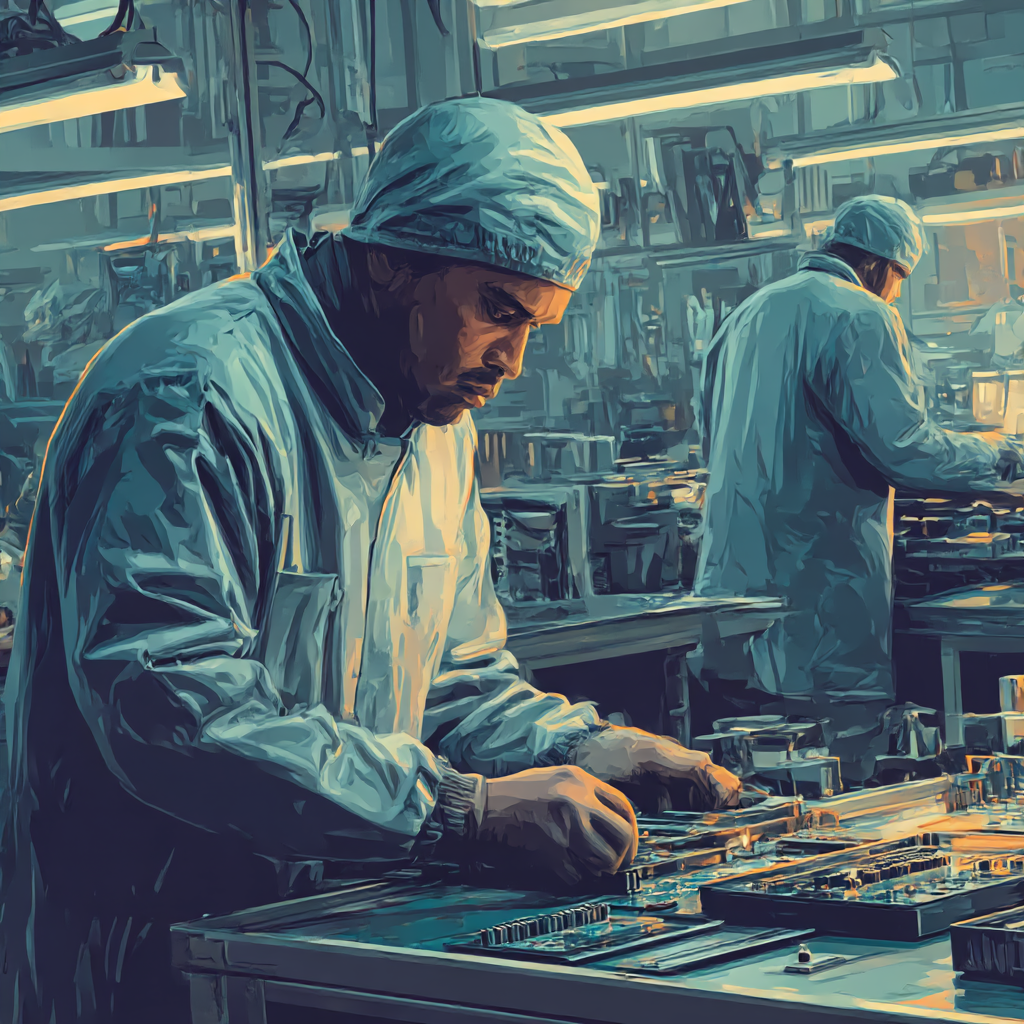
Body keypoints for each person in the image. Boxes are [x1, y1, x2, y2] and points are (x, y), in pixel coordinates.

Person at [0, 97, 740, 1024]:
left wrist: (577, 748)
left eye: (535, 326)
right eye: (497, 310)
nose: (510, 360)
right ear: (394, 258)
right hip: (148, 950)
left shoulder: (434, 422)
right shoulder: (191, 392)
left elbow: (452, 679)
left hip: (322, 935)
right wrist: (459, 811)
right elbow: (171, 705)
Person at [693, 195, 1024, 781]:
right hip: (820, 600)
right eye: (899, 281)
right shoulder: (860, 312)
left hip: (730, 599)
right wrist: (1003, 455)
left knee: (758, 783)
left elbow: (712, 438)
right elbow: (909, 451)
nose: (895, 294)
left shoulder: (744, 315)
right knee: (839, 781)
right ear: (881, 266)